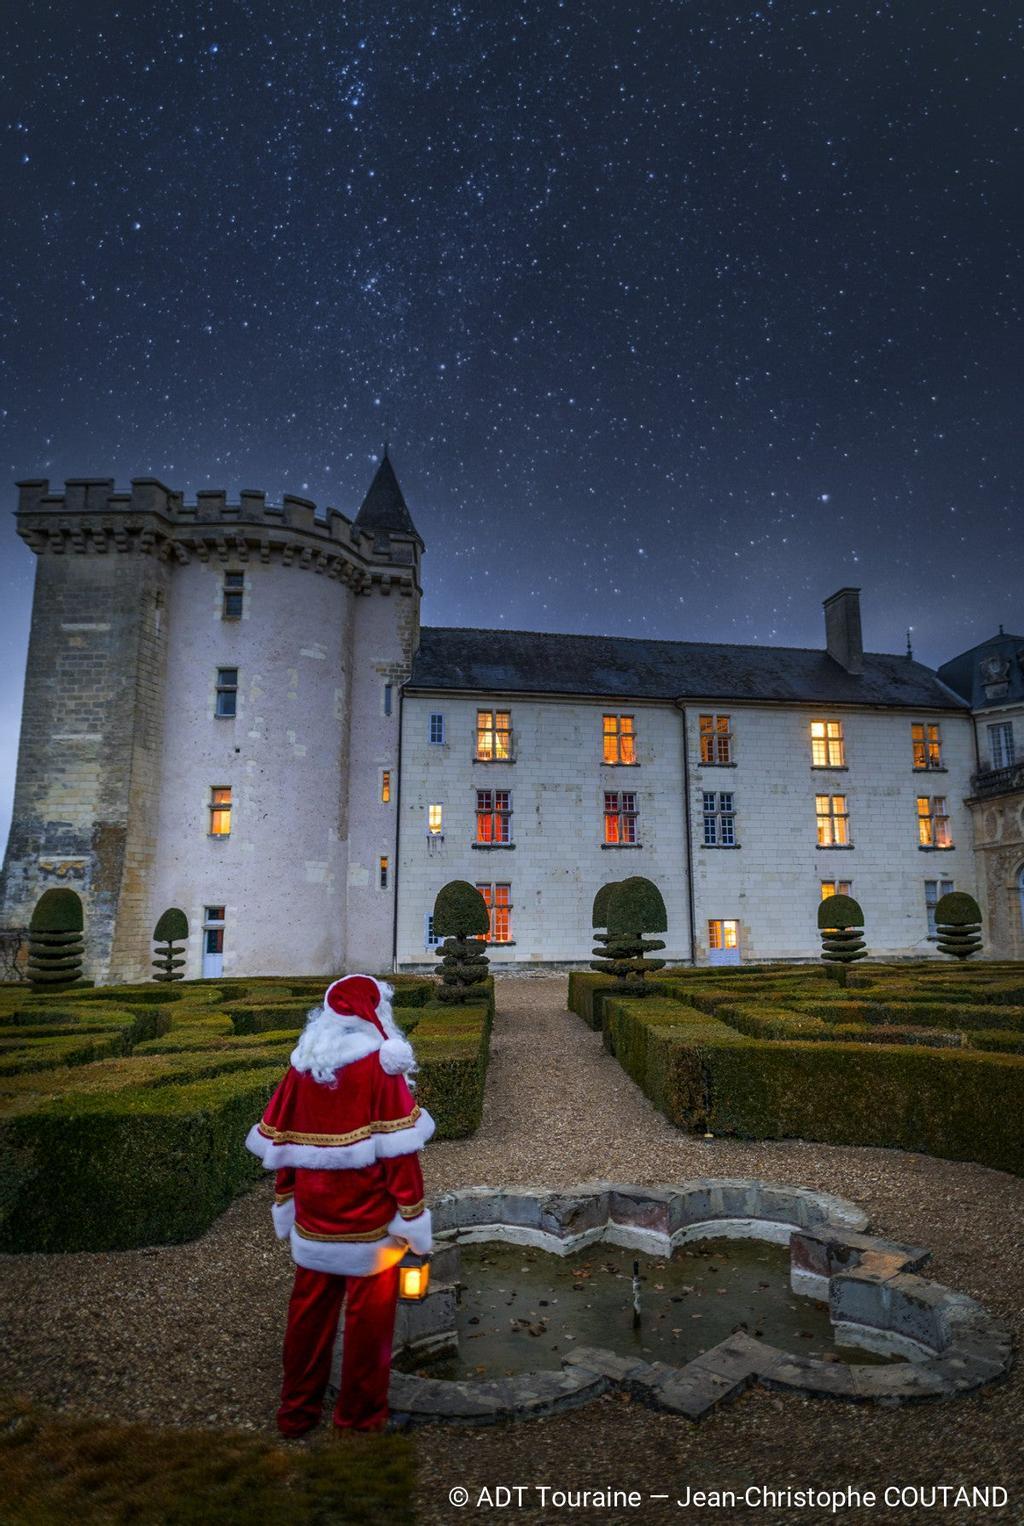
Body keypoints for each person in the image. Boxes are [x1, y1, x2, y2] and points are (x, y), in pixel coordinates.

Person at [246, 974, 434, 1435]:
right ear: (375, 1015)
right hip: (369, 1224)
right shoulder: (378, 1067)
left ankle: (296, 1412)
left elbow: (282, 1148)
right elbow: (400, 1158)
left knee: (308, 1317)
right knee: (369, 1326)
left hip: (314, 1220)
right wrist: (413, 1218)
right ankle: (360, 1417)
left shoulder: (303, 1065)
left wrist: (286, 1200)